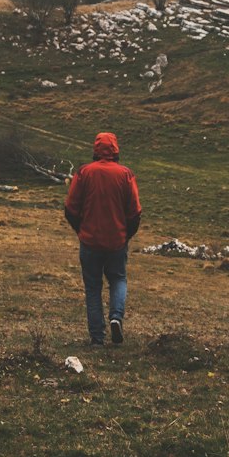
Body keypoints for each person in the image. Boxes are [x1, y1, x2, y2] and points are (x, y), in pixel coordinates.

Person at [63, 131, 142, 345]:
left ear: (95, 150)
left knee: (93, 287)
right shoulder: (125, 174)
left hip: (89, 241)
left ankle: (97, 338)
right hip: (116, 241)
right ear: (116, 150)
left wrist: (81, 231)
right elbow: (135, 212)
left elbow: (70, 208)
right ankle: (116, 317)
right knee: (118, 279)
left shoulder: (84, 172)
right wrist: (125, 236)